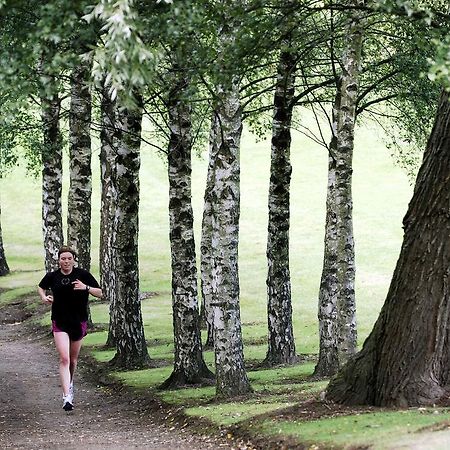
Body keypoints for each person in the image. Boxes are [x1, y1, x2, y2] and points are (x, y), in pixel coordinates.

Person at [38, 246, 103, 411]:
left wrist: (85, 288)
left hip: (78, 321)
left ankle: (70, 384)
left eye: (69, 258)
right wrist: (44, 297)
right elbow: (41, 287)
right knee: (64, 359)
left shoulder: (83, 275)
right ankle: (67, 397)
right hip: (59, 321)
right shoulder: (52, 276)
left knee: (73, 361)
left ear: (74, 259)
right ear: (58, 260)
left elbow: (101, 293)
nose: (66, 261)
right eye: (63, 258)